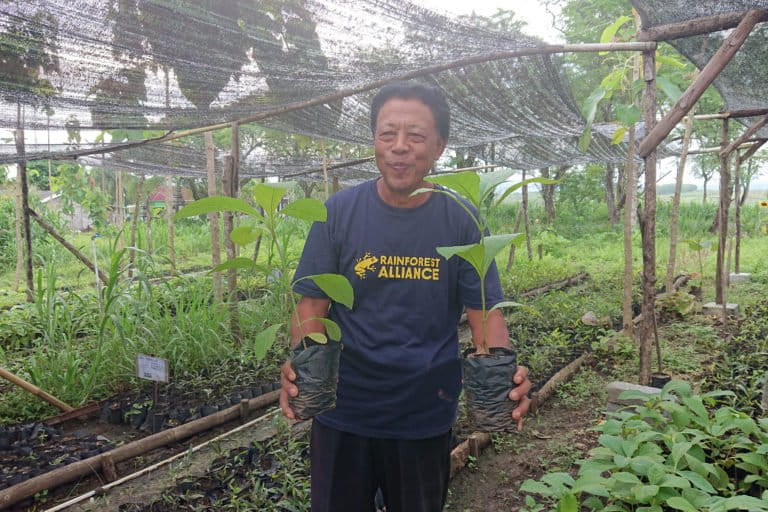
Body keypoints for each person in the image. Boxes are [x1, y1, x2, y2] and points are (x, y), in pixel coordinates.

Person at [279, 81, 532, 512]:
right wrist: (298, 366)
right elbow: (312, 306)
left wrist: (503, 379)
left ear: (439, 146)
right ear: (374, 140)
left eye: (415, 136)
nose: (399, 147)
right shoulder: (339, 212)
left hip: (424, 411)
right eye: (386, 134)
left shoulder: (461, 221)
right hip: (344, 409)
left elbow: (484, 316)